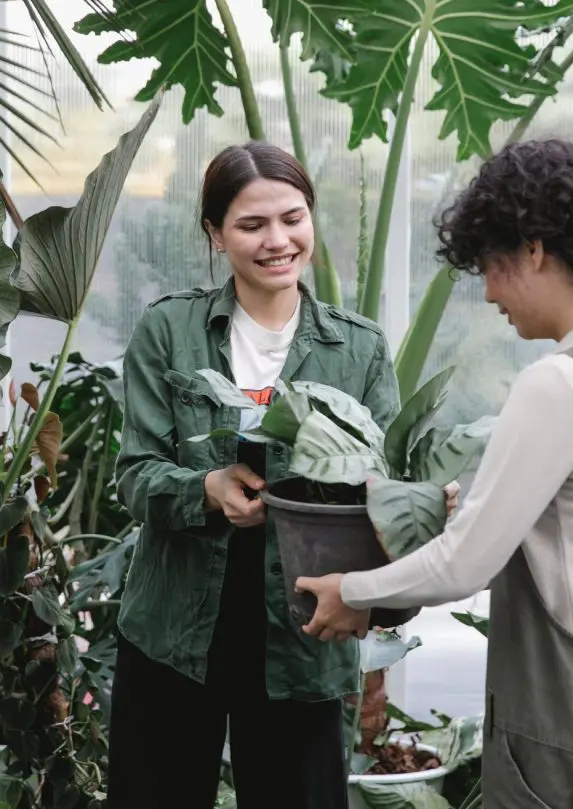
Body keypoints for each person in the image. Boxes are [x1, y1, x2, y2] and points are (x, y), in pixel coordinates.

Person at [295, 138, 573, 808]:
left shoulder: (559, 384)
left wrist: (351, 590)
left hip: (566, 732)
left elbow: (463, 564)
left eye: (489, 266)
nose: (490, 292)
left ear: (534, 248)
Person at [105, 142, 405, 809]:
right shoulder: (170, 330)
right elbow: (135, 474)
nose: (278, 241)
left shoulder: (357, 348)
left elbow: (382, 486)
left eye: (292, 219)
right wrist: (205, 490)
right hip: (174, 631)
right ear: (215, 233)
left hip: (302, 635)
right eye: (251, 224)